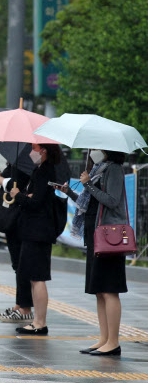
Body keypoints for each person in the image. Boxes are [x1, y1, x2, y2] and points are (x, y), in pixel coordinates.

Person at [61, 149, 128, 356]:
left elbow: (112, 200)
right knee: (99, 290)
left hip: (109, 236)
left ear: (108, 150)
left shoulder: (114, 169)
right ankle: (104, 338)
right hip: (95, 235)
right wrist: (70, 192)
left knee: (109, 289)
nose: (93, 151)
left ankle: (114, 341)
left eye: (97, 147)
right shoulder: (99, 169)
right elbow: (88, 202)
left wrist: (88, 183)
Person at [0, 143, 60, 335]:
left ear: (44, 151)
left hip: (37, 231)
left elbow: (35, 202)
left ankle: (40, 323)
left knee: (37, 277)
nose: (32, 152)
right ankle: (37, 321)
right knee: (34, 277)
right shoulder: (42, 170)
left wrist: (18, 195)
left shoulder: (44, 172)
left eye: (34, 148)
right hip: (35, 230)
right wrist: (27, 195)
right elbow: (36, 198)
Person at [0, 164, 34, 323]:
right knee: (17, 265)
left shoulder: (25, 161)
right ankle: (20, 305)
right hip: (13, 218)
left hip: (19, 218)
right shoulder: (16, 159)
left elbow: (18, 184)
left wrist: (0, 180)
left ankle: (25, 308)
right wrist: (1, 175)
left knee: (22, 266)